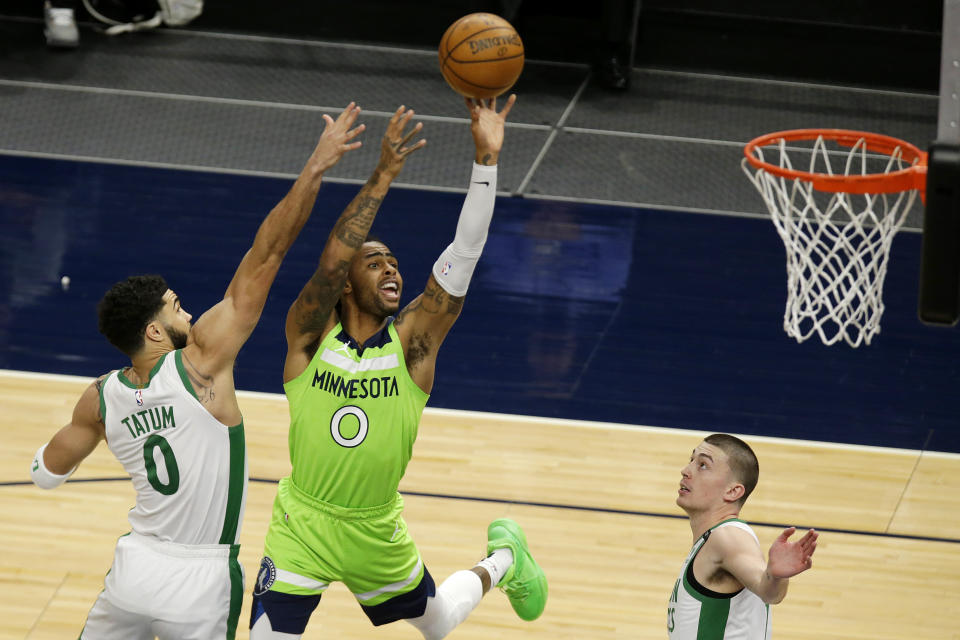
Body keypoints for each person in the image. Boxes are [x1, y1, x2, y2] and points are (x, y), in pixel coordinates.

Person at [29, 103, 366, 639]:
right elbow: (269, 250)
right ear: (156, 333)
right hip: (202, 580)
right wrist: (316, 167)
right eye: (177, 307)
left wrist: (44, 467)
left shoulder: (98, 398)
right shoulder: (202, 363)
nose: (187, 313)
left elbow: (46, 472)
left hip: (132, 574)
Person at [249, 95, 548, 640]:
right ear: (346, 286)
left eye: (393, 262)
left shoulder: (413, 345)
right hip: (301, 525)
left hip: (375, 530)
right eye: (374, 262)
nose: (390, 268)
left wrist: (486, 163)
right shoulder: (310, 337)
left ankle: (504, 559)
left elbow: (465, 251)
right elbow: (332, 259)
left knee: (438, 625)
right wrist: (383, 174)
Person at [668, 433, 819, 639]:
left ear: (733, 491)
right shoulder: (716, 536)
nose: (686, 471)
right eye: (691, 460)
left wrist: (775, 577)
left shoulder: (728, 538)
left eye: (703, 465)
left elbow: (768, 591)